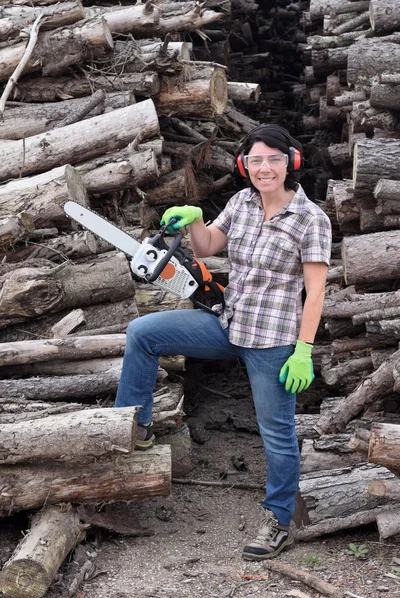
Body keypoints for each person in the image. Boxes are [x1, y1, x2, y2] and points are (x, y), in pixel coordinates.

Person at [115, 124, 332, 561]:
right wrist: (194, 219)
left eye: (273, 158)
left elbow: (317, 290)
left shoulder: (311, 219)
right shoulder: (241, 203)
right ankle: (134, 425)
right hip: (227, 324)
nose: (264, 167)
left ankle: (278, 520)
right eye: (255, 159)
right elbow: (210, 244)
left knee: (277, 434)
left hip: (272, 341)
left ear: (290, 162)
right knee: (143, 333)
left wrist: (303, 350)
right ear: (243, 165)